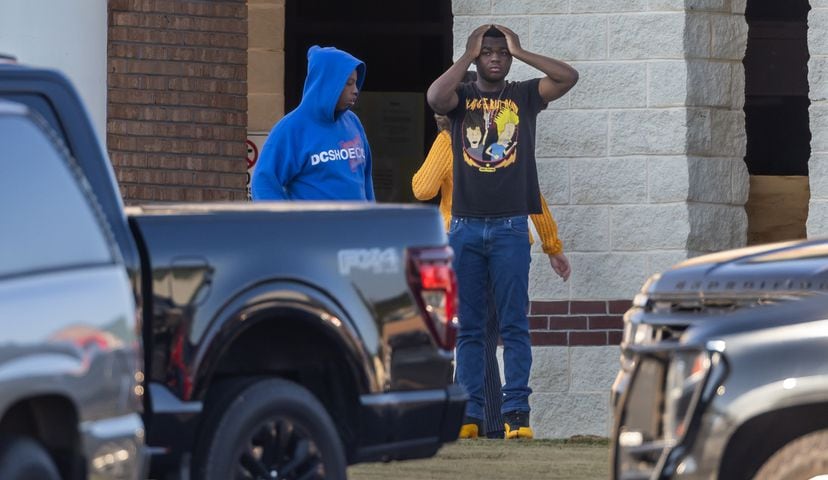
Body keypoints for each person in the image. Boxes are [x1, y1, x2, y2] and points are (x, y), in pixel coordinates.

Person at [426, 24, 578, 439]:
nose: (495, 58)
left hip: (511, 227)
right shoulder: (461, 100)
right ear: (477, 57)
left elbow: (568, 77)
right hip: (465, 228)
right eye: (488, 52)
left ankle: (516, 416)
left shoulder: (524, 96)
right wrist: (466, 54)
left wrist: (522, 50)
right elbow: (435, 97)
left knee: (514, 326)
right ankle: (471, 415)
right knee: (470, 328)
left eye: (501, 53)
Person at [412, 113, 568, 439]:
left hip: (460, 243)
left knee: (475, 332)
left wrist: (444, 142)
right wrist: (551, 245)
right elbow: (533, 196)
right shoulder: (506, 143)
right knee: (501, 329)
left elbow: (423, 188)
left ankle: (482, 418)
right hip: (506, 243)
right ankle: (501, 420)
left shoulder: (450, 142)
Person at [251, 45, 374, 201]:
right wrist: (287, 224)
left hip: (358, 225)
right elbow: (264, 184)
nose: (356, 90)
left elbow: (367, 179)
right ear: (327, 83)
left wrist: (372, 218)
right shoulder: (291, 128)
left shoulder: (353, 123)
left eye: (356, 83)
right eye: (349, 83)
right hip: (312, 225)